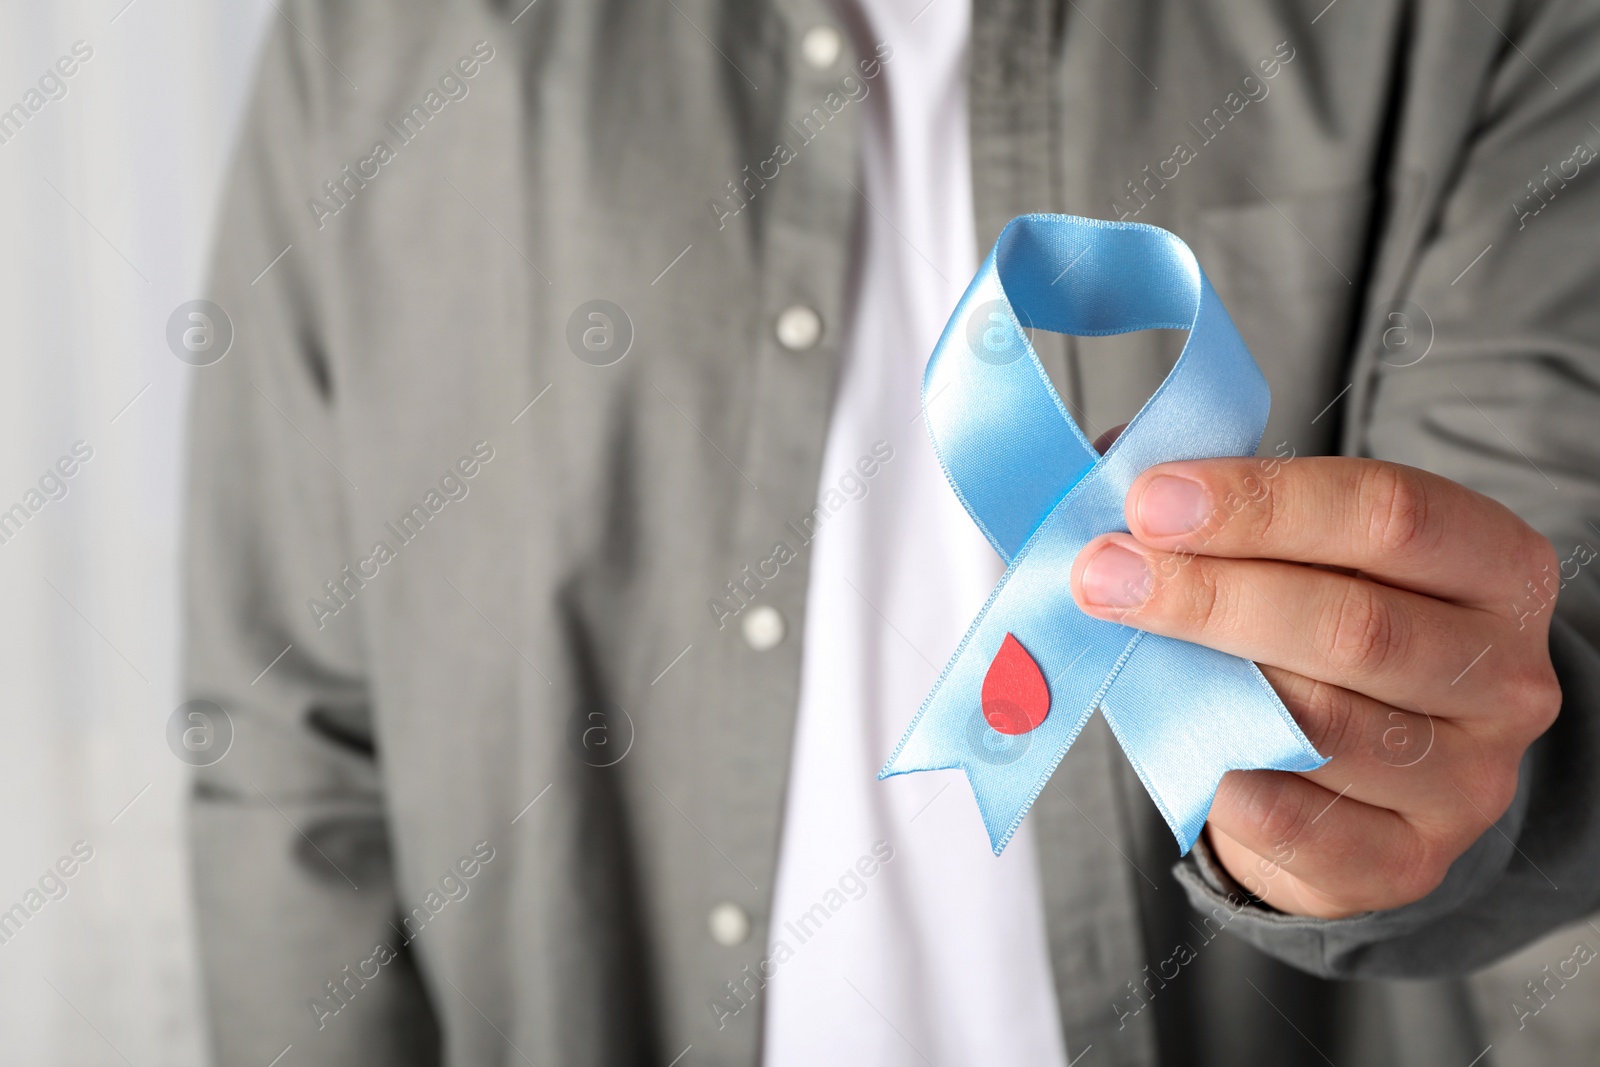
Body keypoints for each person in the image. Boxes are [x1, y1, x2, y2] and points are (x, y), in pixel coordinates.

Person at [183, 0, 1600, 1064]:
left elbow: (1553, 655)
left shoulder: (1474, 27)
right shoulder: (382, 39)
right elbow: (287, 742)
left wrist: (1433, 781)